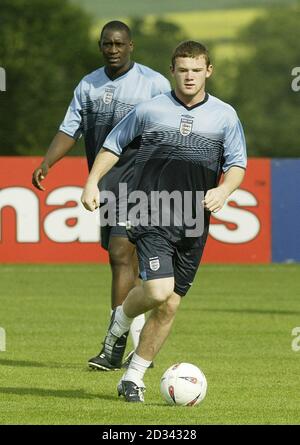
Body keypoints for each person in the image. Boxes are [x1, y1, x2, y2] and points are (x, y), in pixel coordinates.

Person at [81, 40, 247, 402]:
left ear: (208, 71)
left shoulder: (224, 115)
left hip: (192, 219)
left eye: (196, 69)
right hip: (149, 209)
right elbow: (112, 145)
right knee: (157, 290)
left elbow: (236, 165)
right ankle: (121, 322)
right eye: (183, 69)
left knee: (170, 303)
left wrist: (223, 191)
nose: (189, 76)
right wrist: (92, 182)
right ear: (172, 71)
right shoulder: (150, 110)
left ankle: (133, 377)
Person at [31, 21, 170, 371]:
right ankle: (139, 348)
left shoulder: (154, 84)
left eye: (119, 44)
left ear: (131, 46)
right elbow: (70, 129)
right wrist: (47, 162)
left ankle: (114, 344)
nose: (113, 49)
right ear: (100, 46)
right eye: (107, 44)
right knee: (129, 261)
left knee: (119, 253)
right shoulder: (88, 85)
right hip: (107, 182)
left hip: (143, 181)